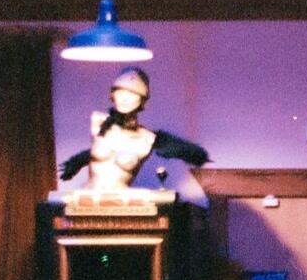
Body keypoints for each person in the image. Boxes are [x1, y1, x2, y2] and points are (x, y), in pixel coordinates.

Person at [59, 68, 209, 192]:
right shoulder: (99, 122)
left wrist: (197, 155)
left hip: (123, 203)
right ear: (112, 95)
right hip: (88, 199)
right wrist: (76, 163)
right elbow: (93, 152)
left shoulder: (147, 138)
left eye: (132, 94)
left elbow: (192, 153)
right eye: (120, 92)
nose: (125, 98)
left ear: (142, 101)